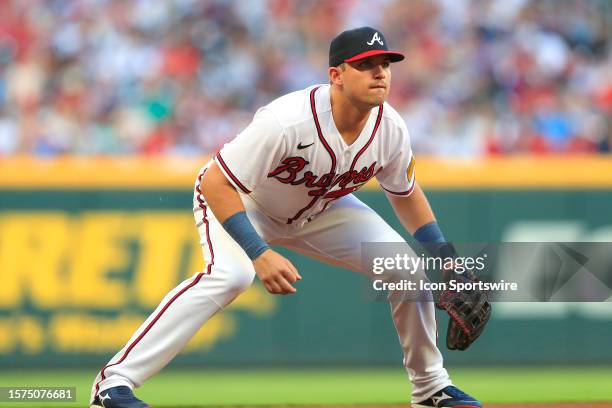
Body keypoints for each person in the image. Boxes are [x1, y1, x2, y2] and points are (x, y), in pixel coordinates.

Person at [89, 27, 482, 408]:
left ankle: (431, 389)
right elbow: (216, 182)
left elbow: (406, 194)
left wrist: (446, 258)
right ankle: (114, 384)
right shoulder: (289, 120)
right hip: (242, 204)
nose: (380, 72)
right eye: (366, 64)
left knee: (405, 269)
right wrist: (257, 252)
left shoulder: (391, 129)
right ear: (337, 75)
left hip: (319, 209)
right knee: (231, 275)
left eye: (385, 63)